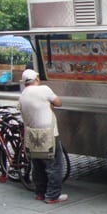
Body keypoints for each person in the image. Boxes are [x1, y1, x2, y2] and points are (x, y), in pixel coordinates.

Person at [19, 69, 68, 204]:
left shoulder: (22, 95)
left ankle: (39, 193)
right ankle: (52, 196)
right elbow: (58, 102)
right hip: (48, 135)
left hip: (32, 136)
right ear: (36, 78)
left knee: (38, 165)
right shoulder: (44, 90)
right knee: (54, 166)